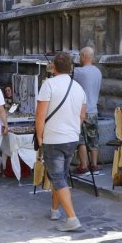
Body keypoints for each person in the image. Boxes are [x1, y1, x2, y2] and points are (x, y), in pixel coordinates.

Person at [35, 51, 86, 232]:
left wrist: (40, 136)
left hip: (54, 137)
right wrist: (72, 127)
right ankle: (55, 210)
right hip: (72, 137)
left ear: (53, 67)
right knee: (60, 176)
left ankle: (72, 218)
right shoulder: (79, 87)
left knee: (57, 177)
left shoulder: (48, 85)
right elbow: (82, 115)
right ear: (71, 68)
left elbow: (40, 115)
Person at [73, 47, 103, 176]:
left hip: (82, 111)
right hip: (94, 110)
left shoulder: (79, 71)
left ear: (84, 56)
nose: (79, 57)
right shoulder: (98, 72)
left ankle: (83, 166)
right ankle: (94, 165)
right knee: (93, 138)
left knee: (81, 139)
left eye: (80, 55)